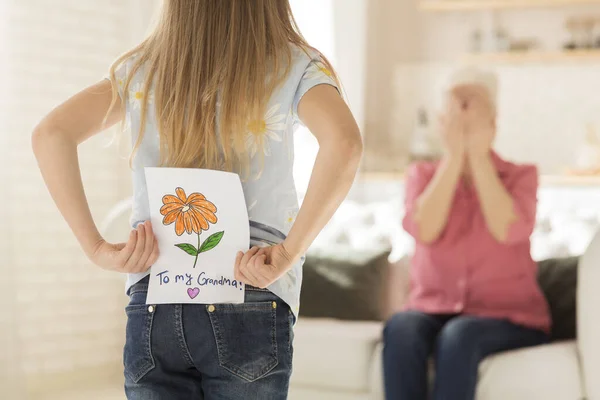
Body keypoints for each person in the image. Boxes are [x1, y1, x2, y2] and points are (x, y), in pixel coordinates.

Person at [32, 1, 362, 399]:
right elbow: (344, 144)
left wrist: (97, 249)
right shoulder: (297, 64)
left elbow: (50, 134)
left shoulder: (141, 69)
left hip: (156, 289)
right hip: (251, 281)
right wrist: (289, 252)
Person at [383, 68, 550, 400]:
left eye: (472, 107)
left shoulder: (521, 176)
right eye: (455, 109)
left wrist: (476, 156)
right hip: (431, 309)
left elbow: (510, 228)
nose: (463, 116)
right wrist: (456, 157)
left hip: (510, 317)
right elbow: (423, 229)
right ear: (441, 121)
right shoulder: (421, 175)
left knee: (461, 335)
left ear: (494, 122)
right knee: (401, 328)